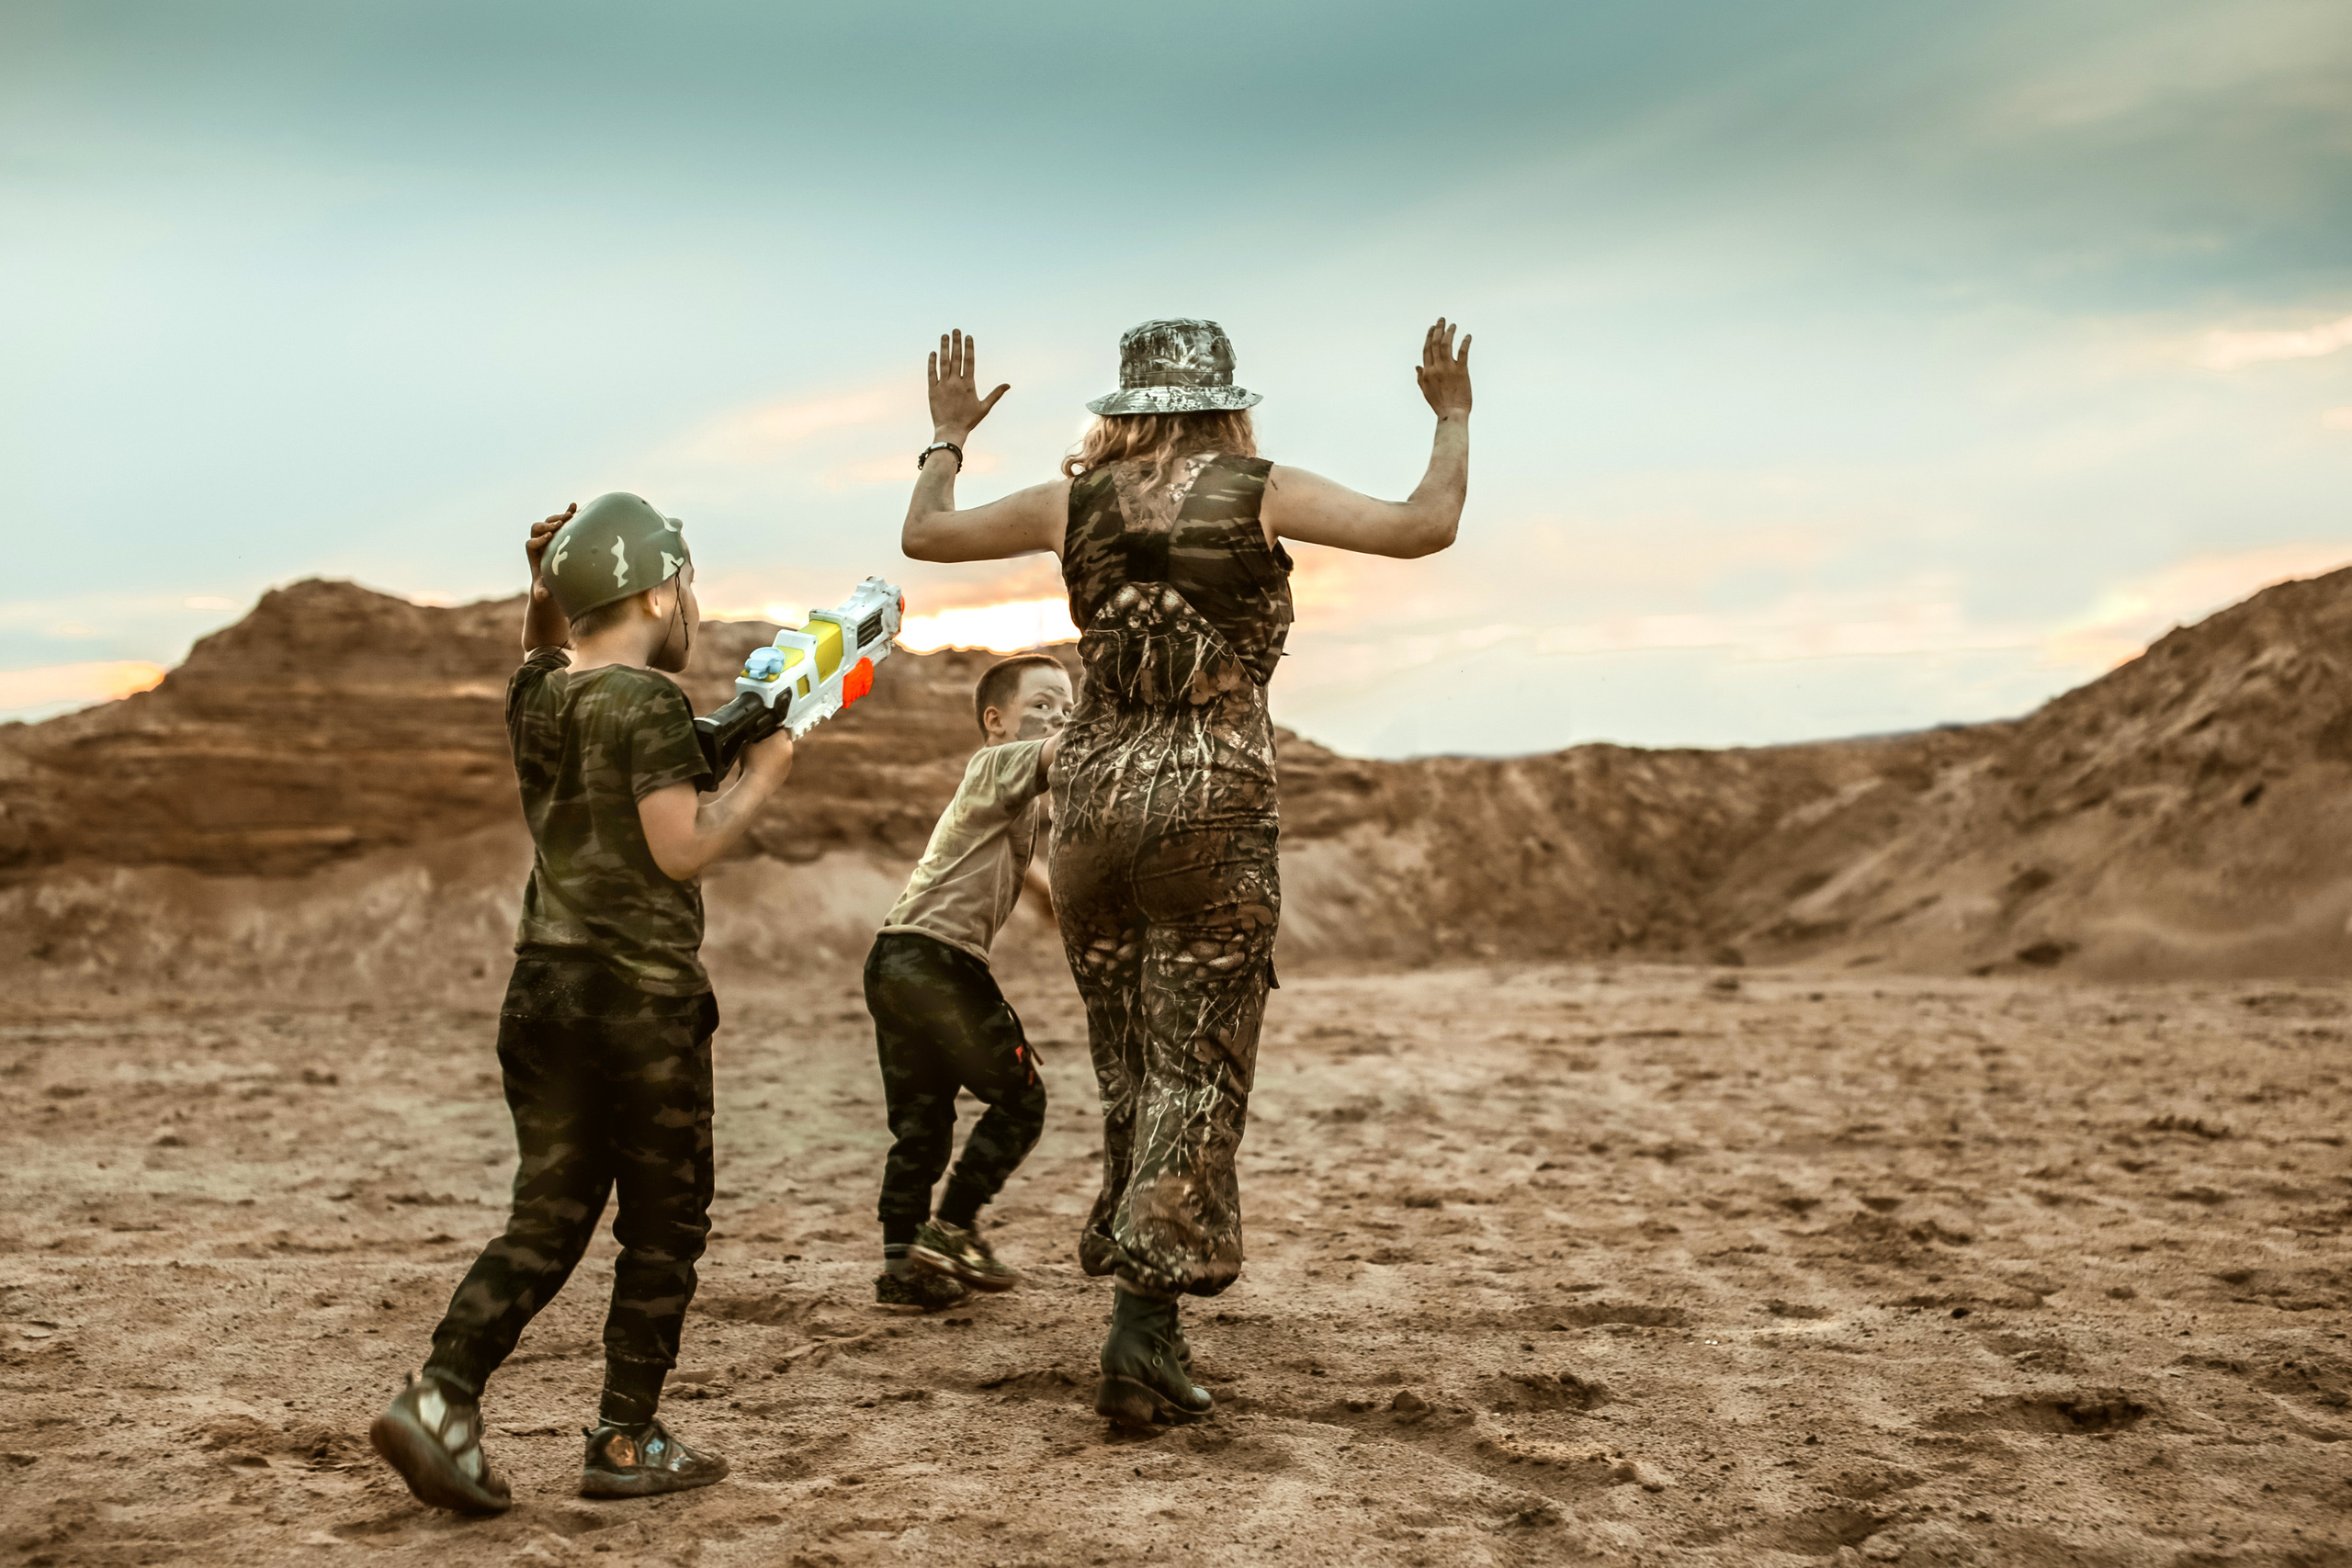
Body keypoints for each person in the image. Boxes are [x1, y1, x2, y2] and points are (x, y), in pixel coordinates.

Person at [899, 317, 1473, 1426]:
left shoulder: (1069, 500)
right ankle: (1143, 1328)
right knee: (1194, 1065)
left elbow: (926, 534)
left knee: (1128, 1062)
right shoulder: (1259, 489)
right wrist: (1450, 415)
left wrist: (948, 435)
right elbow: (1424, 526)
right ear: (1224, 403)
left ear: (1124, 407)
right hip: (1211, 804)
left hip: (1091, 804)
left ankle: (1136, 1282)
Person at [368, 492, 796, 1514]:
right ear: (654, 593)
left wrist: (540, 588)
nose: (691, 604)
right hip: (640, 1002)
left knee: (549, 1211)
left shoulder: (539, 697)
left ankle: (441, 1395)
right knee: (663, 1223)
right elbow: (681, 849)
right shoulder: (649, 701)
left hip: (543, 991)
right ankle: (624, 1439)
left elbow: (538, 653)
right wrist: (765, 775)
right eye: (686, 584)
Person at [864, 654, 1073, 1312]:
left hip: (894, 959)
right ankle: (953, 1227)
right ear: (995, 720)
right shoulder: (996, 764)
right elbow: (1070, 754)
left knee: (922, 1124)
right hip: (940, 962)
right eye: (1042, 705)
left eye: (1067, 707)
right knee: (1022, 1100)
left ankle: (902, 1269)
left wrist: (1043, 894)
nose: (1058, 718)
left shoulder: (1002, 798)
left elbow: (1001, 858)